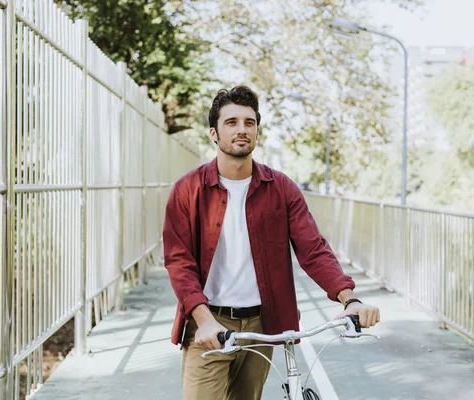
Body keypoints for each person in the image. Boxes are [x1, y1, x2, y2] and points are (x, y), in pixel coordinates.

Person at [162, 85, 380, 400]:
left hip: (261, 325)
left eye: (249, 123)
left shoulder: (281, 189)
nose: (242, 130)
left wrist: (351, 300)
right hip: (209, 322)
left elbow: (314, 250)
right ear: (214, 133)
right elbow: (179, 262)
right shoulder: (188, 191)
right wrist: (204, 320)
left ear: (257, 132)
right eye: (232, 122)